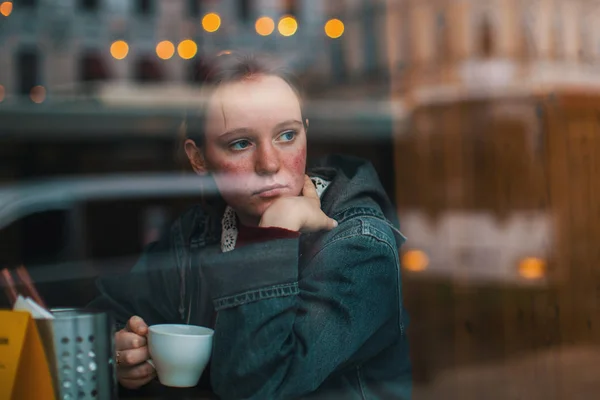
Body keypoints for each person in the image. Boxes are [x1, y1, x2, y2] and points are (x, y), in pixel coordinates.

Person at [89, 52, 412, 399]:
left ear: (306, 133)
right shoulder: (200, 233)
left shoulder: (358, 245)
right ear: (198, 158)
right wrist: (120, 351)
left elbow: (257, 384)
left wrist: (274, 232)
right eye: (240, 143)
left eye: (287, 135)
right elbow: (104, 319)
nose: (269, 163)